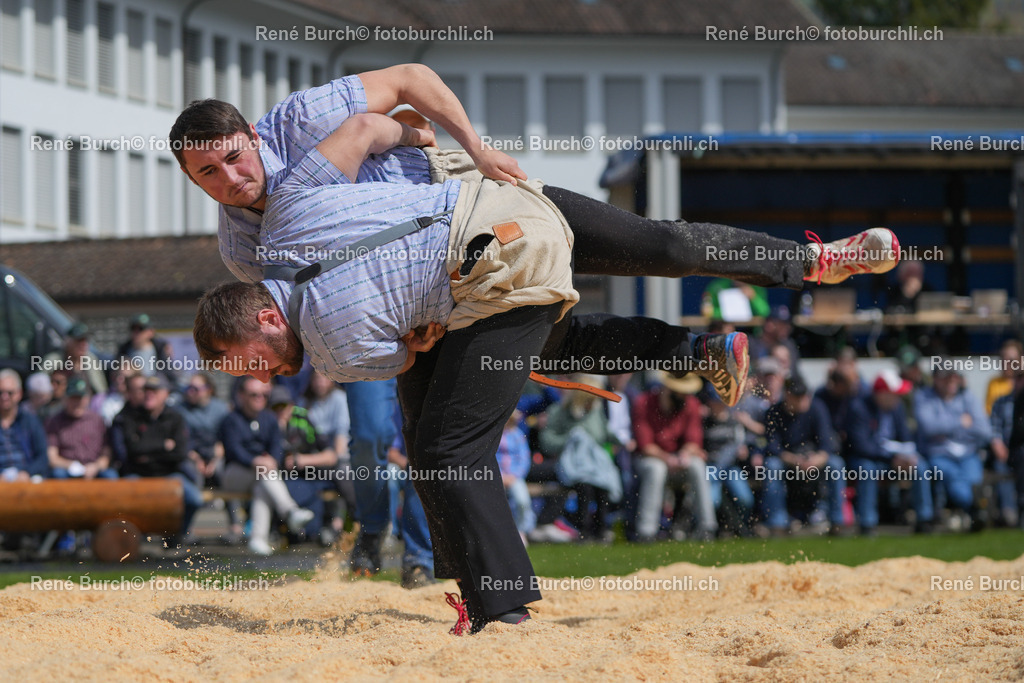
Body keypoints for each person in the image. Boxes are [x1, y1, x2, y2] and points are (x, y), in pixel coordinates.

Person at [188, 106, 898, 634]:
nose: (227, 180)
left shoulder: (295, 153)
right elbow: (383, 115)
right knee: (655, 251)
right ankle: (771, 293)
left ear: (255, 136)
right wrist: (427, 138)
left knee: (442, 442)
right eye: (207, 175)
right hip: (501, 205)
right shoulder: (282, 210)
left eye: (231, 160)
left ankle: (497, 603)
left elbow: (405, 89)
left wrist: (451, 140)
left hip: (481, 255)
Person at [219, 376, 314, 555]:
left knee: (262, 485)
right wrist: (255, 461)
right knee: (264, 473)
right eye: (254, 394)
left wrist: (271, 461)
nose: (260, 398)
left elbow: (277, 449)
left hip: (261, 475)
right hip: (234, 474)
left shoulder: (269, 420)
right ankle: (290, 511)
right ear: (241, 396)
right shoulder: (231, 420)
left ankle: (258, 539)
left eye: (264, 394)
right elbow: (233, 451)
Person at [111, 375, 202, 547]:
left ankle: (176, 534)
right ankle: (138, 538)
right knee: (122, 498)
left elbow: (180, 452)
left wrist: (147, 449)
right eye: (147, 390)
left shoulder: (175, 418)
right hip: (139, 474)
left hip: (169, 474)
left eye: (155, 391)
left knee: (194, 499)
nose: (149, 394)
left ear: (166, 394)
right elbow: (132, 451)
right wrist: (163, 445)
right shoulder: (131, 416)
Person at [846, 370, 935, 535]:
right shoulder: (859, 408)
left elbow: (906, 437)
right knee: (867, 470)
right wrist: (892, 458)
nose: (898, 397)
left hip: (893, 459)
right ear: (882, 394)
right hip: (867, 459)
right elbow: (861, 445)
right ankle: (867, 523)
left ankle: (924, 519)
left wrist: (907, 456)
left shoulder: (896, 407)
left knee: (920, 466)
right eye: (894, 394)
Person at [631, 373, 717, 542]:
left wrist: (684, 454)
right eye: (680, 391)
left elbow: (694, 441)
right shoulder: (643, 403)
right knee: (657, 469)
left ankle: (708, 528)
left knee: (698, 466)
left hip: (678, 460)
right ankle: (646, 531)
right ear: (667, 388)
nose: (684, 395)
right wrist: (667, 458)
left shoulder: (691, 403)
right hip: (650, 460)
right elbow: (645, 446)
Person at [761, 375, 847, 536]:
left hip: (814, 459)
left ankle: (837, 521)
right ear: (787, 395)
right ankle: (777, 522)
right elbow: (773, 448)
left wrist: (817, 459)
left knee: (836, 465)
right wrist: (795, 461)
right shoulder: (774, 412)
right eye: (797, 397)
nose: (802, 401)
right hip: (787, 460)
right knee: (771, 466)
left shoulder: (817, 408)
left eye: (804, 396)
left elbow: (827, 443)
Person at [915, 368, 991, 530]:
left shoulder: (967, 397)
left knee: (972, 481)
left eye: (953, 378)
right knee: (957, 483)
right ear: (935, 379)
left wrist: (944, 427)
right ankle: (975, 509)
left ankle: (973, 512)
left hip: (968, 453)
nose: (951, 382)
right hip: (939, 454)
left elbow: (984, 430)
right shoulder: (924, 396)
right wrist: (959, 422)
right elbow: (929, 428)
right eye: (946, 379)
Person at [268, 385, 338, 542]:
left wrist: (302, 460)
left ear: (291, 405)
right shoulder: (268, 423)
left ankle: (327, 528)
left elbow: (330, 455)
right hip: (281, 478)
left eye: (283, 405)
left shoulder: (303, 419)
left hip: (308, 474)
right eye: (275, 407)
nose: (280, 411)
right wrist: (278, 430)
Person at [45, 375, 117, 480]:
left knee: (110, 476)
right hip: (67, 469)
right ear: (65, 399)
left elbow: (106, 455)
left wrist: (95, 467)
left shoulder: (97, 420)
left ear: (87, 399)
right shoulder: (55, 422)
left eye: (80, 398)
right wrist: (70, 465)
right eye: (73, 398)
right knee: (58, 474)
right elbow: (52, 457)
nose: (77, 403)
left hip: (93, 468)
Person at [0, 369, 48, 481]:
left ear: (19, 394)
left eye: (9, 393)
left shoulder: (30, 420)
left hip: (26, 477)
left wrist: (27, 473)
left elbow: (42, 458)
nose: (4, 397)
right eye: (0, 392)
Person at [496, 410, 535, 546]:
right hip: (494, 476)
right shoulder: (493, 435)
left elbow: (524, 459)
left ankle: (521, 530)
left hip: (514, 476)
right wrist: (499, 475)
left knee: (522, 500)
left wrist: (514, 476)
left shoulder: (517, 435)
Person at [43, 322, 107, 396]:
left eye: (86, 340)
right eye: (79, 340)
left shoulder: (91, 360)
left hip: (88, 405)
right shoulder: (53, 360)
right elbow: (38, 387)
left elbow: (101, 391)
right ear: (68, 342)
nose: (83, 344)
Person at [117, 314, 177, 385]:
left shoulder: (160, 349)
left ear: (151, 332)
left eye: (140, 329)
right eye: (133, 328)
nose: (136, 332)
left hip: (154, 389)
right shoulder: (124, 351)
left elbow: (169, 376)